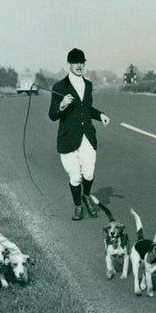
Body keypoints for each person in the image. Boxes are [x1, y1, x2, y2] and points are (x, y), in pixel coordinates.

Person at [48, 48, 111, 221]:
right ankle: (77, 206)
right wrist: (62, 105)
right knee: (75, 176)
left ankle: (86, 195)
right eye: (75, 63)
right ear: (69, 65)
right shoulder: (59, 87)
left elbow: (87, 108)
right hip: (68, 138)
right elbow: (52, 115)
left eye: (82, 62)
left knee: (89, 173)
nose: (79, 66)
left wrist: (101, 115)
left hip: (87, 136)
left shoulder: (88, 85)